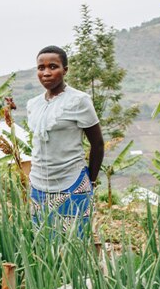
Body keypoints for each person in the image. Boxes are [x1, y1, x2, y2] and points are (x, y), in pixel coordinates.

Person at [26, 45, 104, 234]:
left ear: (65, 70)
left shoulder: (79, 100)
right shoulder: (33, 104)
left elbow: (98, 143)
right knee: (42, 243)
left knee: (74, 245)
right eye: (41, 68)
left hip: (72, 182)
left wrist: (90, 181)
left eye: (53, 67)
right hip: (38, 185)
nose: (46, 72)